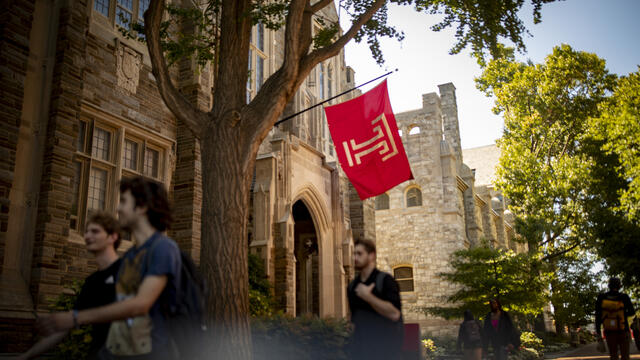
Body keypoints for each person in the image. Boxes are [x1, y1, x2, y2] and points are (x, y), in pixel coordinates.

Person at [38, 177, 182, 360]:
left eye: (123, 201)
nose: (118, 208)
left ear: (142, 206)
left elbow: (141, 305)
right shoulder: (130, 256)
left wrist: (76, 318)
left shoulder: (163, 248)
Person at [18, 212, 122, 360]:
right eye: (86, 231)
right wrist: (26, 356)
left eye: (95, 231)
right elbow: (65, 328)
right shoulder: (92, 282)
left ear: (113, 237)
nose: (87, 236)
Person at [347, 238, 403, 360]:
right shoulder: (352, 286)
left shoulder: (385, 281)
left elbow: (394, 314)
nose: (355, 258)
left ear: (371, 255)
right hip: (360, 352)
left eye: (359, 254)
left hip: (386, 351)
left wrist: (368, 297)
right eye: (354, 254)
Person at [595, 277, 635, 360]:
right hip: (623, 330)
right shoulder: (624, 297)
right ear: (620, 286)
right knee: (625, 355)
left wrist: (598, 332)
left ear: (609, 286)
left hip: (609, 331)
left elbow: (598, 315)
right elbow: (632, 312)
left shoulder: (601, 297)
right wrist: (622, 314)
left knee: (613, 355)